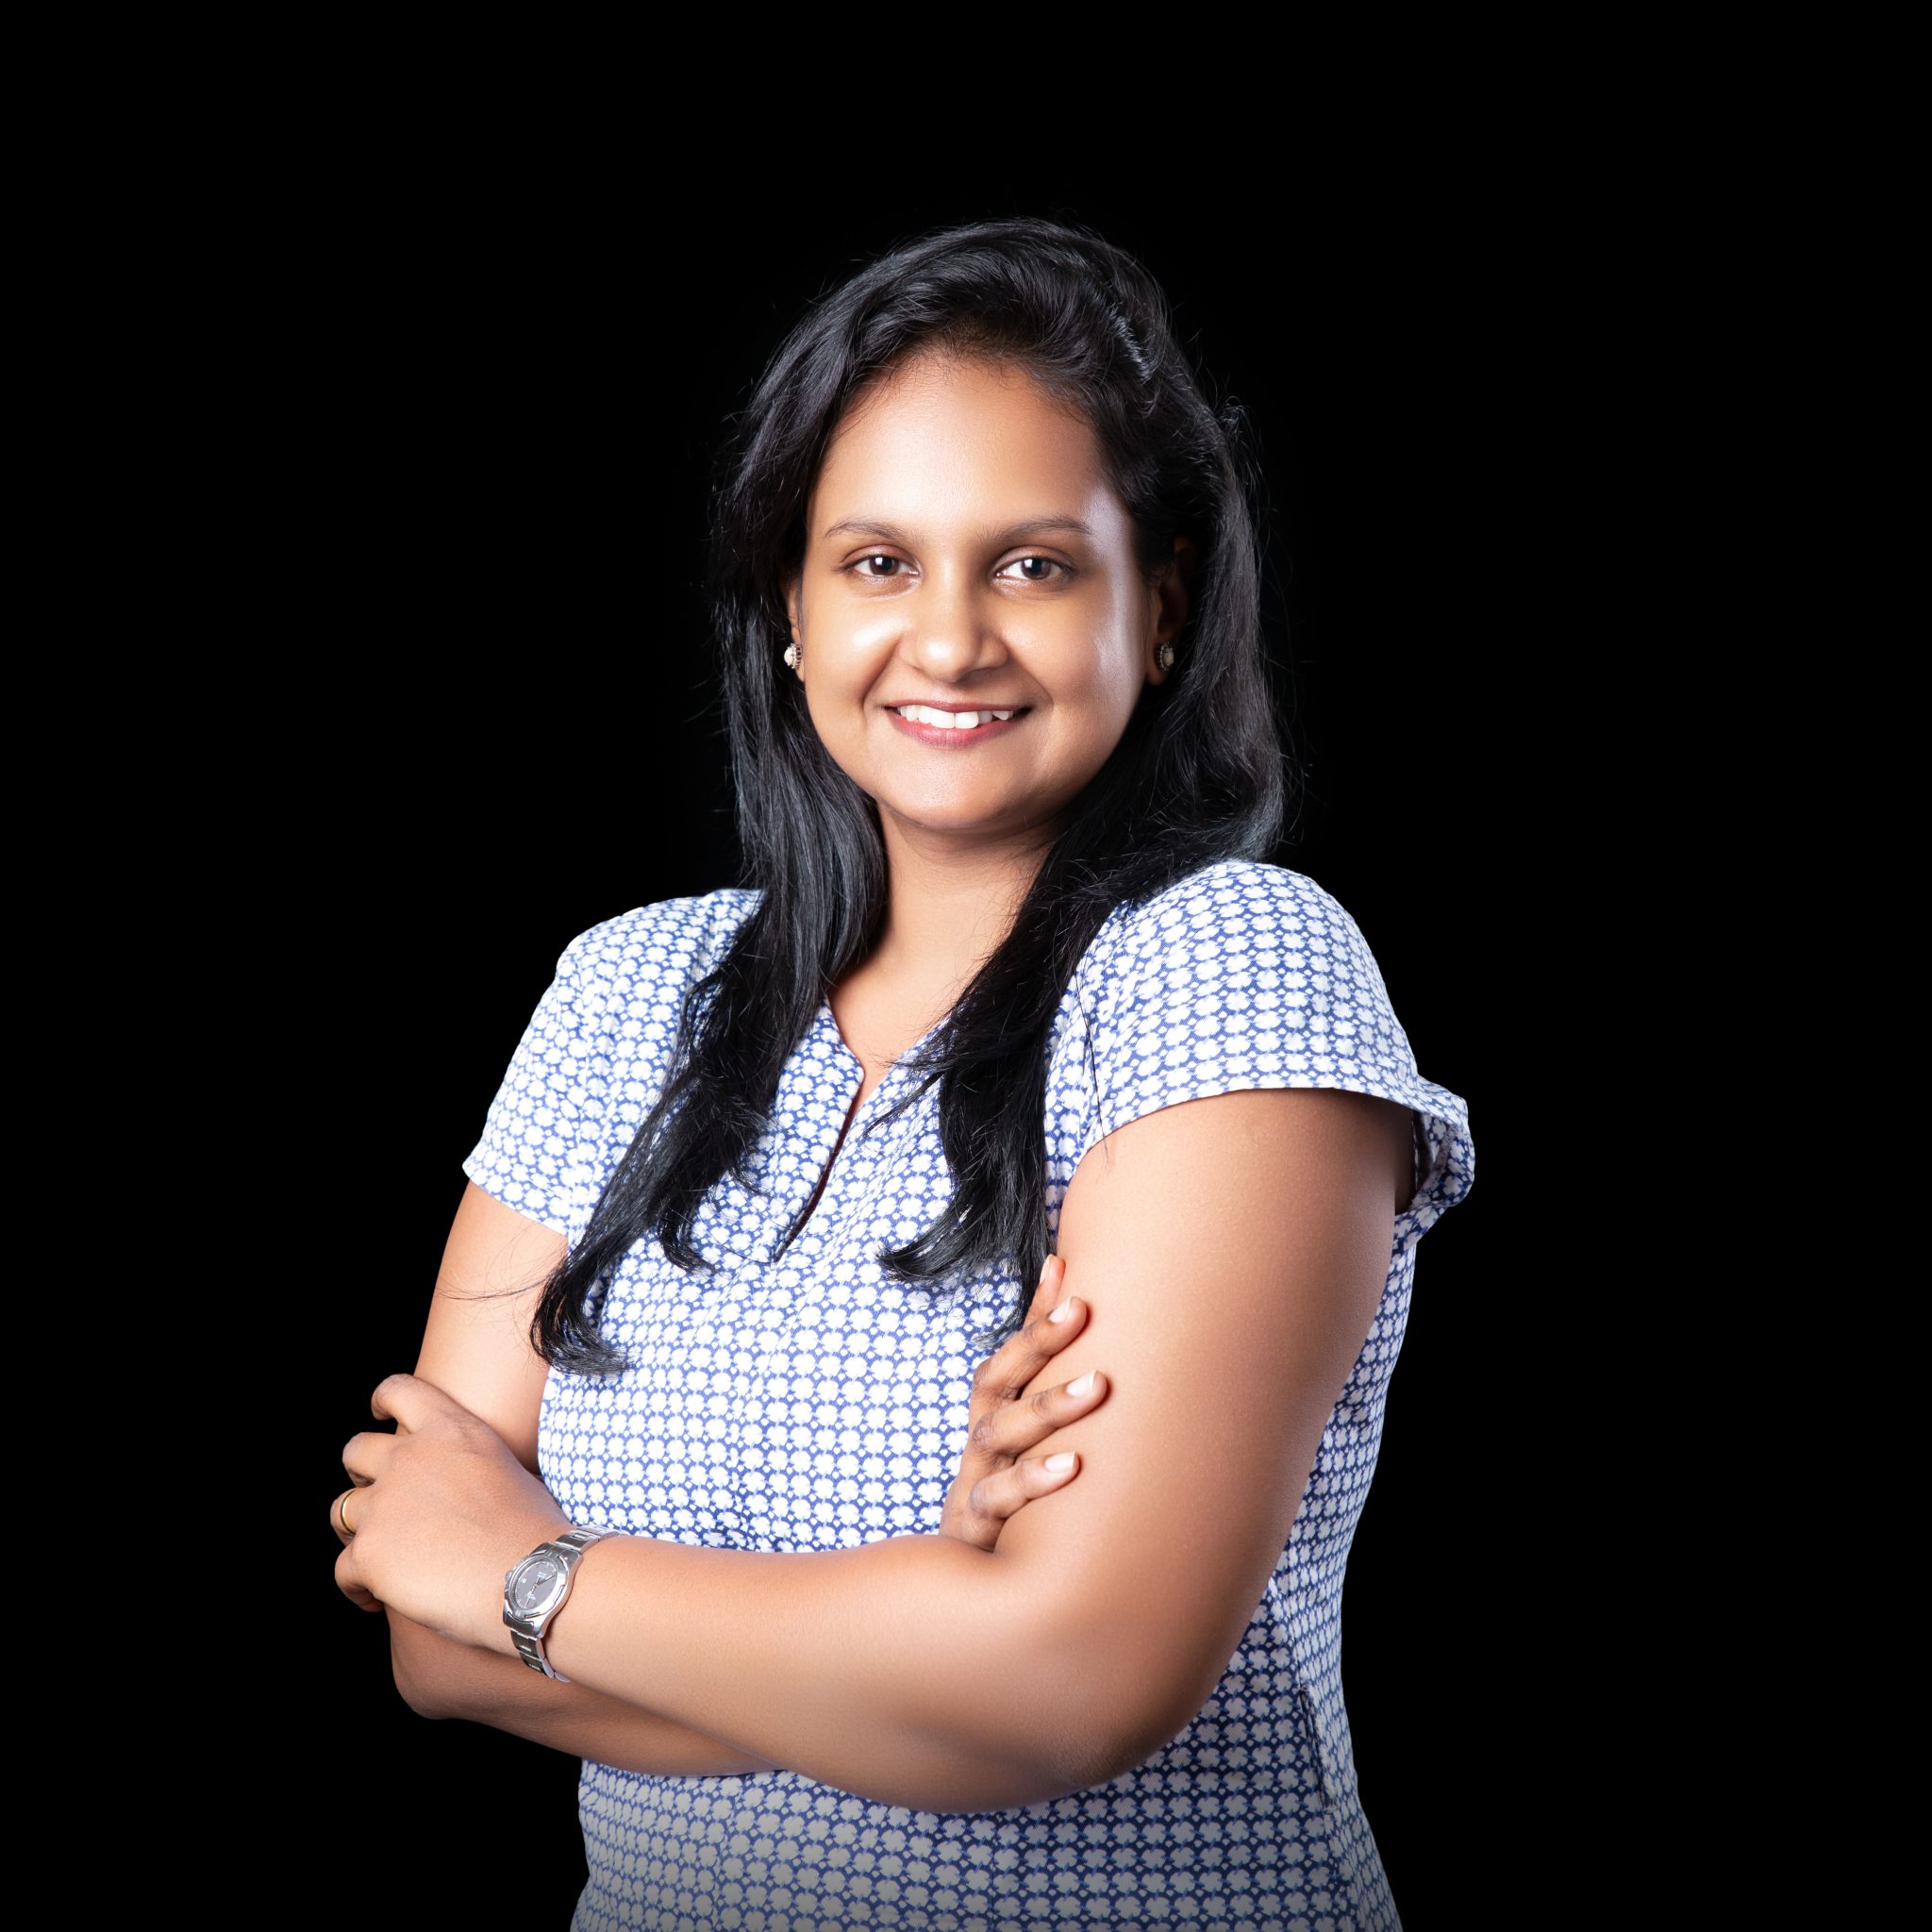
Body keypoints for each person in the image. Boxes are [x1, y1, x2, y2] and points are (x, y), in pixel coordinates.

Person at [331, 216, 1474, 1930]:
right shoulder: (628, 993)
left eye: (1034, 566)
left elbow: (1073, 1681)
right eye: (877, 562)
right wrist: (927, 1626)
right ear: (788, 610)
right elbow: (430, 1645)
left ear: (1159, 607)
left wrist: (528, 1572)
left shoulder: (1227, 968)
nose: (948, 642)